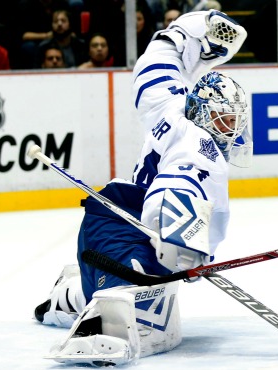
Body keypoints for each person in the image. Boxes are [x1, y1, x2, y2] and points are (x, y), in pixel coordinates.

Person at [32, 10, 249, 366]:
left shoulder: (172, 104)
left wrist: (192, 30)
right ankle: (98, 322)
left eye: (234, 120)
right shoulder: (202, 146)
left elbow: (157, 61)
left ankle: (68, 296)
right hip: (125, 231)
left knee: (152, 290)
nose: (231, 129)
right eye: (225, 119)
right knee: (137, 317)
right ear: (206, 115)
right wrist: (181, 239)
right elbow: (175, 184)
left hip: (115, 223)